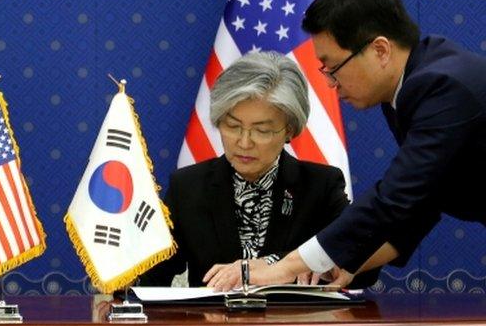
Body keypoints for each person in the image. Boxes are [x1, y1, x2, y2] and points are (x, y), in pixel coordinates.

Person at [207, 0, 486, 290]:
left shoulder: (441, 89)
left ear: (380, 50)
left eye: (332, 67)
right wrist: (348, 262)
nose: (330, 83)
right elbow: (419, 205)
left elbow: (394, 198)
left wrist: (283, 268)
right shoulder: (411, 88)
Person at [139, 52, 378, 289]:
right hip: (213, 323)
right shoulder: (189, 186)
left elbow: (361, 262)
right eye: (232, 126)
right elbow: (151, 276)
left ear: (289, 130)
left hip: (293, 324)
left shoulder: (320, 185)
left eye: (262, 130)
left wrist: (280, 264)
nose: (244, 142)